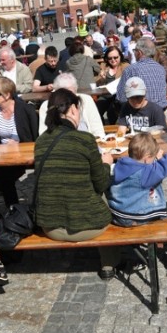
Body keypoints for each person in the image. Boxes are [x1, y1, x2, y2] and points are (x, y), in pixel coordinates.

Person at [34, 88, 119, 280]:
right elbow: (101, 183)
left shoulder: (41, 142)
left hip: (51, 228)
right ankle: (109, 263)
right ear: (72, 109)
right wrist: (106, 163)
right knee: (104, 195)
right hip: (90, 226)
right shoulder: (85, 139)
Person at [0, 77, 38, 207]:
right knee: (4, 179)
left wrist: (15, 142)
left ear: (7, 95)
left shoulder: (23, 110)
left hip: (22, 155)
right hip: (3, 156)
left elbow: (22, 135)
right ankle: (13, 209)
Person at [107, 133, 167, 226]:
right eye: (152, 158)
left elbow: (145, 165)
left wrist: (155, 158)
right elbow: (164, 166)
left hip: (118, 214)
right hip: (134, 216)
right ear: (147, 158)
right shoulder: (144, 173)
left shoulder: (121, 164)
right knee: (164, 220)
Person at [38, 73, 105, 138]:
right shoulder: (46, 106)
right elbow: (44, 133)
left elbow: (97, 128)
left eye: (72, 94)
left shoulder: (86, 100)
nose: (70, 98)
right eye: (65, 95)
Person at [116, 37, 167, 110]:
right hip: (161, 111)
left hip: (141, 114)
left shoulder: (130, 70)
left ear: (139, 52)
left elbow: (121, 97)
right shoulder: (161, 68)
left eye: (135, 51)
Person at [96, 46, 129, 125]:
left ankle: (114, 127)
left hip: (119, 95)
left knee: (111, 111)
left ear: (120, 56)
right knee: (96, 109)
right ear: (107, 58)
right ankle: (102, 129)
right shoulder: (103, 66)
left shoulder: (125, 66)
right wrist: (102, 78)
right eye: (110, 58)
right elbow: (98, 83)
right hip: (105, 94)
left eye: (115, 57)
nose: (113, 60)